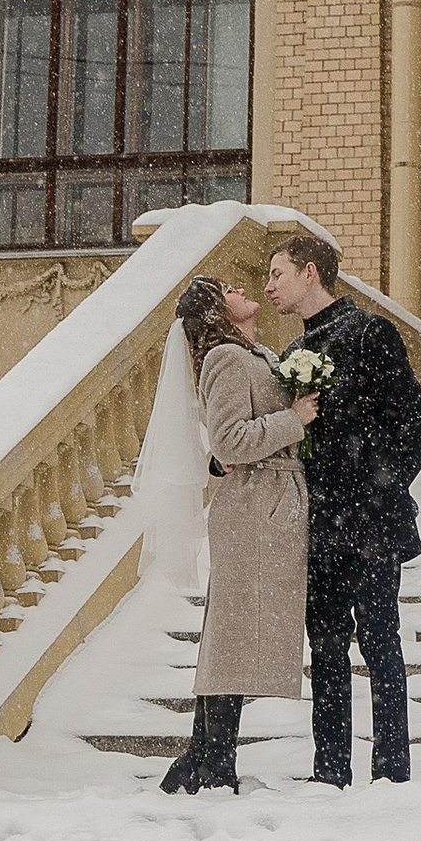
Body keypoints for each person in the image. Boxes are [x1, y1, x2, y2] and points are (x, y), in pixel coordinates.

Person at [267, 226, 421, 789]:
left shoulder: (370, 333)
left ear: (309, 272)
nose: (268, 287)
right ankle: (330, 772)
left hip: (372, 523)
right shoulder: (291, 354)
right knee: (327, 648)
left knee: (382, 644)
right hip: (319, 529)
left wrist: (380, 490)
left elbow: (417, 422)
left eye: (277, 274)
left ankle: (391, 773)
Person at [159, 271, 317, 796]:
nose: (243, 288)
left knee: (230, 636)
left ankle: (202, 754)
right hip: (253, 510)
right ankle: (213, 760)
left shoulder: (252, 353)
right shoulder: (226, 360)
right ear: (216, 310)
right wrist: (295, 419)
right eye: (227, 288)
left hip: (264, 505)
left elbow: (225, 449)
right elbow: (230, 439)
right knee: (231, 638)